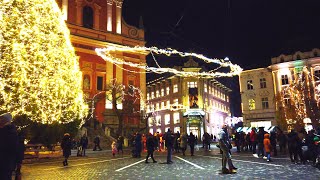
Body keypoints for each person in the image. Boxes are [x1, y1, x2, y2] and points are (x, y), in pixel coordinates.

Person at [0, 113, 18, 180]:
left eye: (1, 118)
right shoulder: (7, 130)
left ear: (5, 120)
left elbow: (13, 148)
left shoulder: (9, 131)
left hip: (5, 162)